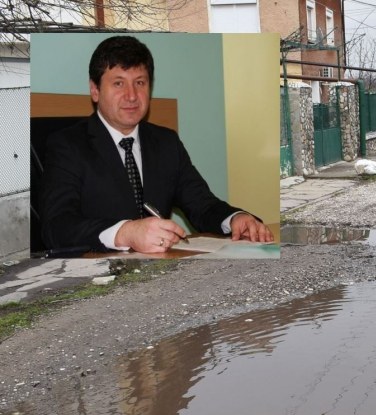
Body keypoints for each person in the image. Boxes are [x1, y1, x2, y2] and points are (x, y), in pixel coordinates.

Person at [40, 35, 274, 254]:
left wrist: (235, 218)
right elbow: (56, 226)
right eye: (119, 83)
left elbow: (202, 204)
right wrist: (125, 232)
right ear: (95, 90)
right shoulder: (66, 145)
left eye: (140, 82)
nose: (132, 96)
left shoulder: (166, 142)